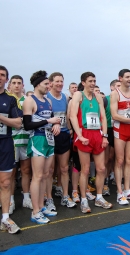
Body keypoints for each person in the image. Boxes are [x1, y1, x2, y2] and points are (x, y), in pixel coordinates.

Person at [70, 71, 112, 213]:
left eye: (94, 81)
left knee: (101, 168)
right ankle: (84, 200)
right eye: (90, 81)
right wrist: (79, 135)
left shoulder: (98, 97)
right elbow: (73, 116)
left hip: (97, 134)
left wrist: (105, 136)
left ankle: (99, 197)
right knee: (85, 169)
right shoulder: (78, 95)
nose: (93, 83)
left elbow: (103, 118)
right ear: (83, 83)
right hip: (84, 133)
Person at [23, 70, 61, 224]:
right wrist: (49, 122)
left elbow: (52, 119)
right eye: (46, 84)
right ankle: (35, 211)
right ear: (38, 84)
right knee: (37, 176)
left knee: (46, 174)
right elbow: (27, 125)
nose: (48, 86)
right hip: (37, 139)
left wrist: (56, 125)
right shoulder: (29, 101)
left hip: (49, 139)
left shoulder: (48, 101)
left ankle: (41, 206)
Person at [110, 69, 130, 205]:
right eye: (127, 77)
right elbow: (114, 115)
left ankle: (127, 190)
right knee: (120, 160)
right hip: (120, 129)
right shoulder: (115, 93)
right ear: (120, 78)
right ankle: (119, 192)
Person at [47, 72, 76, 209]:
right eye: (57, 81)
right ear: (51, 83)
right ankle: (49, 198)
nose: (59, 84)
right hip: (50, 136)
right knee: (50, 169)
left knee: (64, 168)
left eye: (61, 81)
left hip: (64, 135)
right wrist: (53, 125)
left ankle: (65, 196)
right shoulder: (47, 98)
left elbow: (67, 116)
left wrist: (69, 129)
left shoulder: (65, 97)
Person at [0, 65, 22, 234]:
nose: (0, 77)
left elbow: (17, 123)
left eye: (2, 75)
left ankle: (5, 217)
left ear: (5, 79)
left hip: (5, 143)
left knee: (6, 182)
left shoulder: (10, 99)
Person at [10, 75, 33, 213]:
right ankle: (10, 200)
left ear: (23, 85)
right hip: (11, 141)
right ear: (10, 85)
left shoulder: (27, 100)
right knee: (11, 173)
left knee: (26, 171)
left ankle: (26, 198)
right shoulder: (7, 100)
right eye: (14, 83)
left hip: (26, 139)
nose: (17, 85)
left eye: (19, 83)